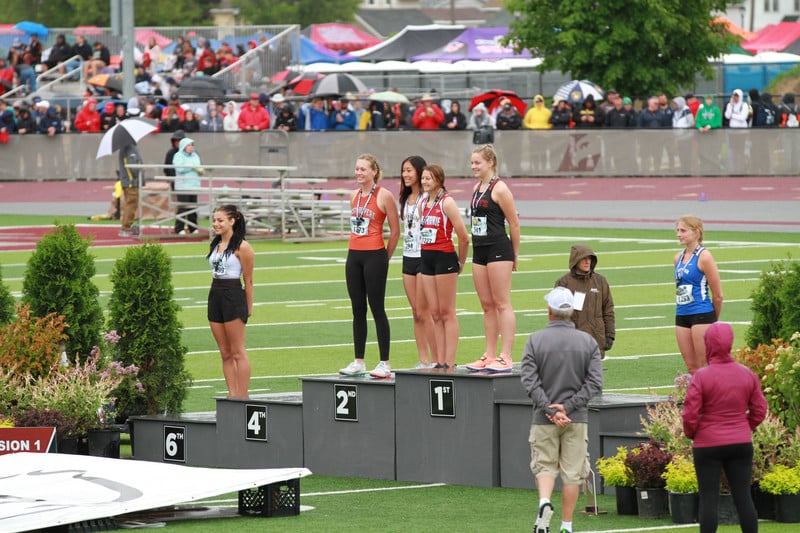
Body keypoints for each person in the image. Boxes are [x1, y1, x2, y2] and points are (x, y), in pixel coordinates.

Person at [521, 286, 603, 533]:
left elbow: (528, 380)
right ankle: (566, 526)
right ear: (571, 313)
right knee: (572, 474)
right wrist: (567, 408)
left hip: (543, 418)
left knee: (544, 466)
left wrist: (550, 408)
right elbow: (595, 382)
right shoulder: (587, 342)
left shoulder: (535, 340)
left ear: (549, 311)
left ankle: (545, 502)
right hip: (576, 418)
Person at [681, 322, 767, 533]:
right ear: (730, 344)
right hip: (740, 441)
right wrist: (744, 426)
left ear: (708, 343)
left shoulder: (702, 376)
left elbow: (690, 413)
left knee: (709, 498)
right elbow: (759, 409)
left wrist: (694, 433)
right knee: (743, 496)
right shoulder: (746, 374)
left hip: (707, 443)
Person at [339, 154, 400, 378]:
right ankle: (359, 361)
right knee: (357, 309)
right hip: (354, 255)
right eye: (357, 169)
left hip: (375, 255)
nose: (359, 173)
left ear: (374, 171)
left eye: (363, 169)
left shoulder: (384, 195)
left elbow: (395, 231)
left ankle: (385, 362)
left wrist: (386, 256)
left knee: (377, 307)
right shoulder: (353, 195)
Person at [465, 144, 520, 373]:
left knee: (501, 303)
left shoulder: (500, 189)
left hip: (499, 249)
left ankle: (505, 356)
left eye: (477, 162)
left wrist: (514, 254)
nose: (473, 166)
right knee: (487, 306)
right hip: (480, 250)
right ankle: (488, 355)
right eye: (472, 162)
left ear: (490, 162)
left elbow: (514, 223)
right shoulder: (477, 187)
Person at [418, 164, 469, 369]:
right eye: (423, 178)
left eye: (428, 178)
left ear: (439, 180)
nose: (424, 182)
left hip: (445, 257)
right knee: (435, 313)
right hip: (426, 257)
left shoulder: (447, 202)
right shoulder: (423, 203)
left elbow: (464, 237)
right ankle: (439, 360)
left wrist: (461, 262)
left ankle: (449, 360)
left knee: (447, 312)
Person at [207, 204, 254, 399]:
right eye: (214, 220)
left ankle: (242, 396)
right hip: (215, 295)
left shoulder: (243, 247)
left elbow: (249, 280)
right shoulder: (215, 245)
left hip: (233, 296)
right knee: (225, 352)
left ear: (232, 221)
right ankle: (232, 394)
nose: (215, 224)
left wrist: (248, 308)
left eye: (220, 220)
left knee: (237, 351)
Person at [399, 156, 437, 369]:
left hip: (424, 256)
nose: (405, 174)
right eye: (403, 171)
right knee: (415, 311)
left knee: (425, 311)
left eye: (409, 171)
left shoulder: (426, 198)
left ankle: (436, 357)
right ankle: (423, 359)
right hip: (407, 256)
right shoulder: (405, 198)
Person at [674, 215, 723, 374]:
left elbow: (718, 295)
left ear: (696, 232)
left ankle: (711, 398)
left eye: (683, 230)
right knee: (691, 368)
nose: (679, 234)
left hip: (701, 314)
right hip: (682, 314)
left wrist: (713, 319)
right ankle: (695, 398)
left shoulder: (704, 257)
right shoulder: (677, 258)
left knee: (704, 367)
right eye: (677, 230)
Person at [554, 245, 615, 360]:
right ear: (575, 260)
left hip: (596, 338)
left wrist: (610, 335)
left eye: (590, 258)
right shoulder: (563, 282)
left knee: (594, 376)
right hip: (572, 340)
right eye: (584, 258)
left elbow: (608, 309)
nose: (588, 262)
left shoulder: (600, 281)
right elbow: (557, 314)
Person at [172, 136, 203, 235]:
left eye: (192, 145)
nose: (191, 147)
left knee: (193, 207)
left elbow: (199, 166)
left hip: (194, 185)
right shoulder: (178, 155)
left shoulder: (195, 155)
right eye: (188, 145)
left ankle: (193, 227)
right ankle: (179, 228)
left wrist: (200, 170)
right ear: (183, 146)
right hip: (183, 186)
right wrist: (192, 167)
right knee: (182, 207)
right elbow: (180, 169)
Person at [118, 143, 145, 237]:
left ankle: (125, 227)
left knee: (129, 204)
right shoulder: (130, 148)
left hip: (127, 181)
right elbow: (133, 166)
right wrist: (139, 175)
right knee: (131, 205)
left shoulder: (124, 147)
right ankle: (125, 228)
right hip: (131, 182)